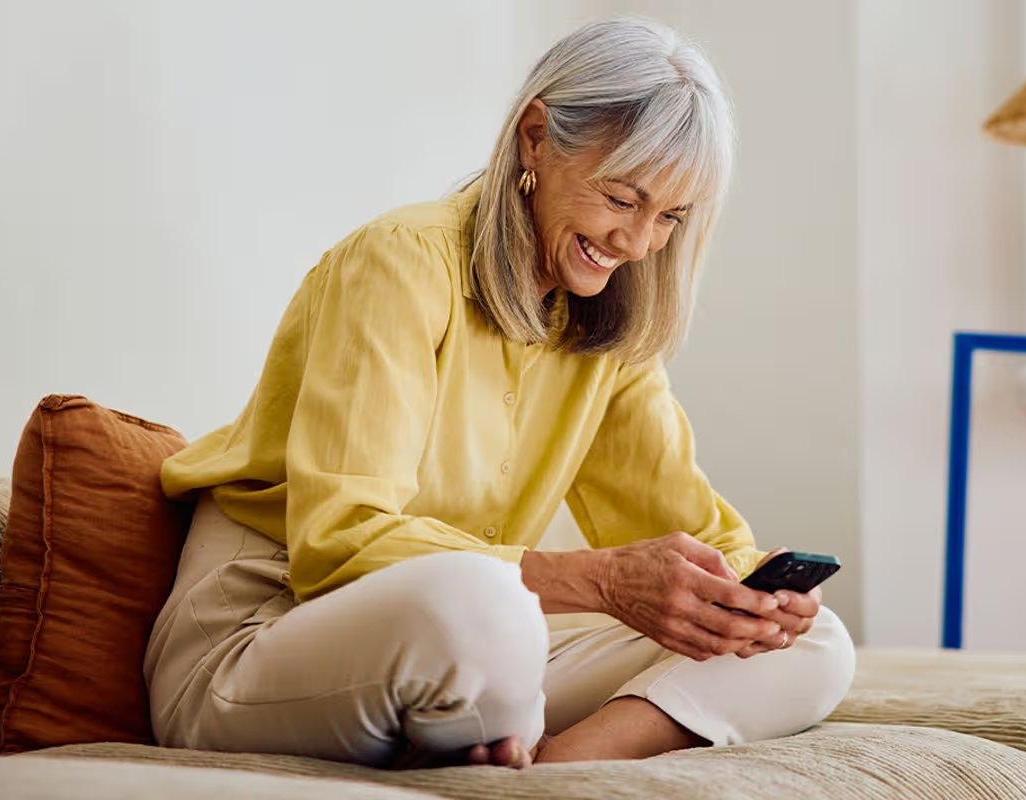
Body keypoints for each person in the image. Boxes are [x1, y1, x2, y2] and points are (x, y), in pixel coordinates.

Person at [144, 16, 856, 770]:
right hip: (267, 634)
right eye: (622, 199)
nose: (638, 243)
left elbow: (690, 527)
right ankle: (495, 728)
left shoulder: (603, 329)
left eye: (669, 217)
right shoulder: (399, 264)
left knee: (813, 643)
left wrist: (753, 595)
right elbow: (338, 541)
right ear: (535, 138)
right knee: (487, 607)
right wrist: (600, 581)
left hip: (469, 644)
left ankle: (549, 771)